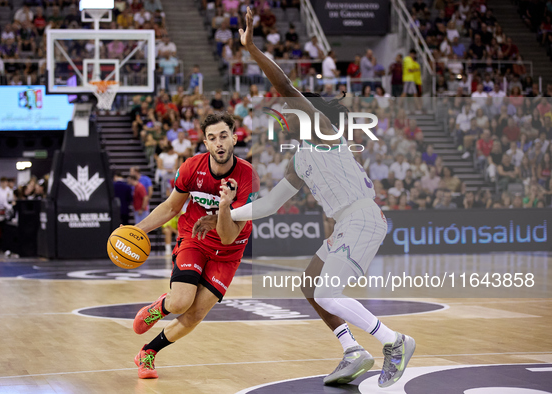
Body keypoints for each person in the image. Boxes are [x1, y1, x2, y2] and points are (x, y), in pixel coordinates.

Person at [194, 8, 416, 388]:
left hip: (362, 218)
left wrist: (251, 49)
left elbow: (283, 85)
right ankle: (352, 351)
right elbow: (267, 205)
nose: (284, 113)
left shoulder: (325, 132)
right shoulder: (300, 159)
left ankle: (394, 342)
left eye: (290, 108)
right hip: (347, 223)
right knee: (311, 285)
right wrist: (220, 213)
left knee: (328, 291)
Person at [130, 112, 259, 379]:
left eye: (224, 136)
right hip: (195, 238)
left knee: (194, 315)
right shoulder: (191, 167)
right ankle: (161, 307)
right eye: (212, 138)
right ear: (205, 143)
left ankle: (148, 353)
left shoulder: (247, 176)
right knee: (180, 303)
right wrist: (135, 230)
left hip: (229, 251)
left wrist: (224, 206)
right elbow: (170, 207)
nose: (219, 143)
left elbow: (227, 236)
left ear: (234, 138)